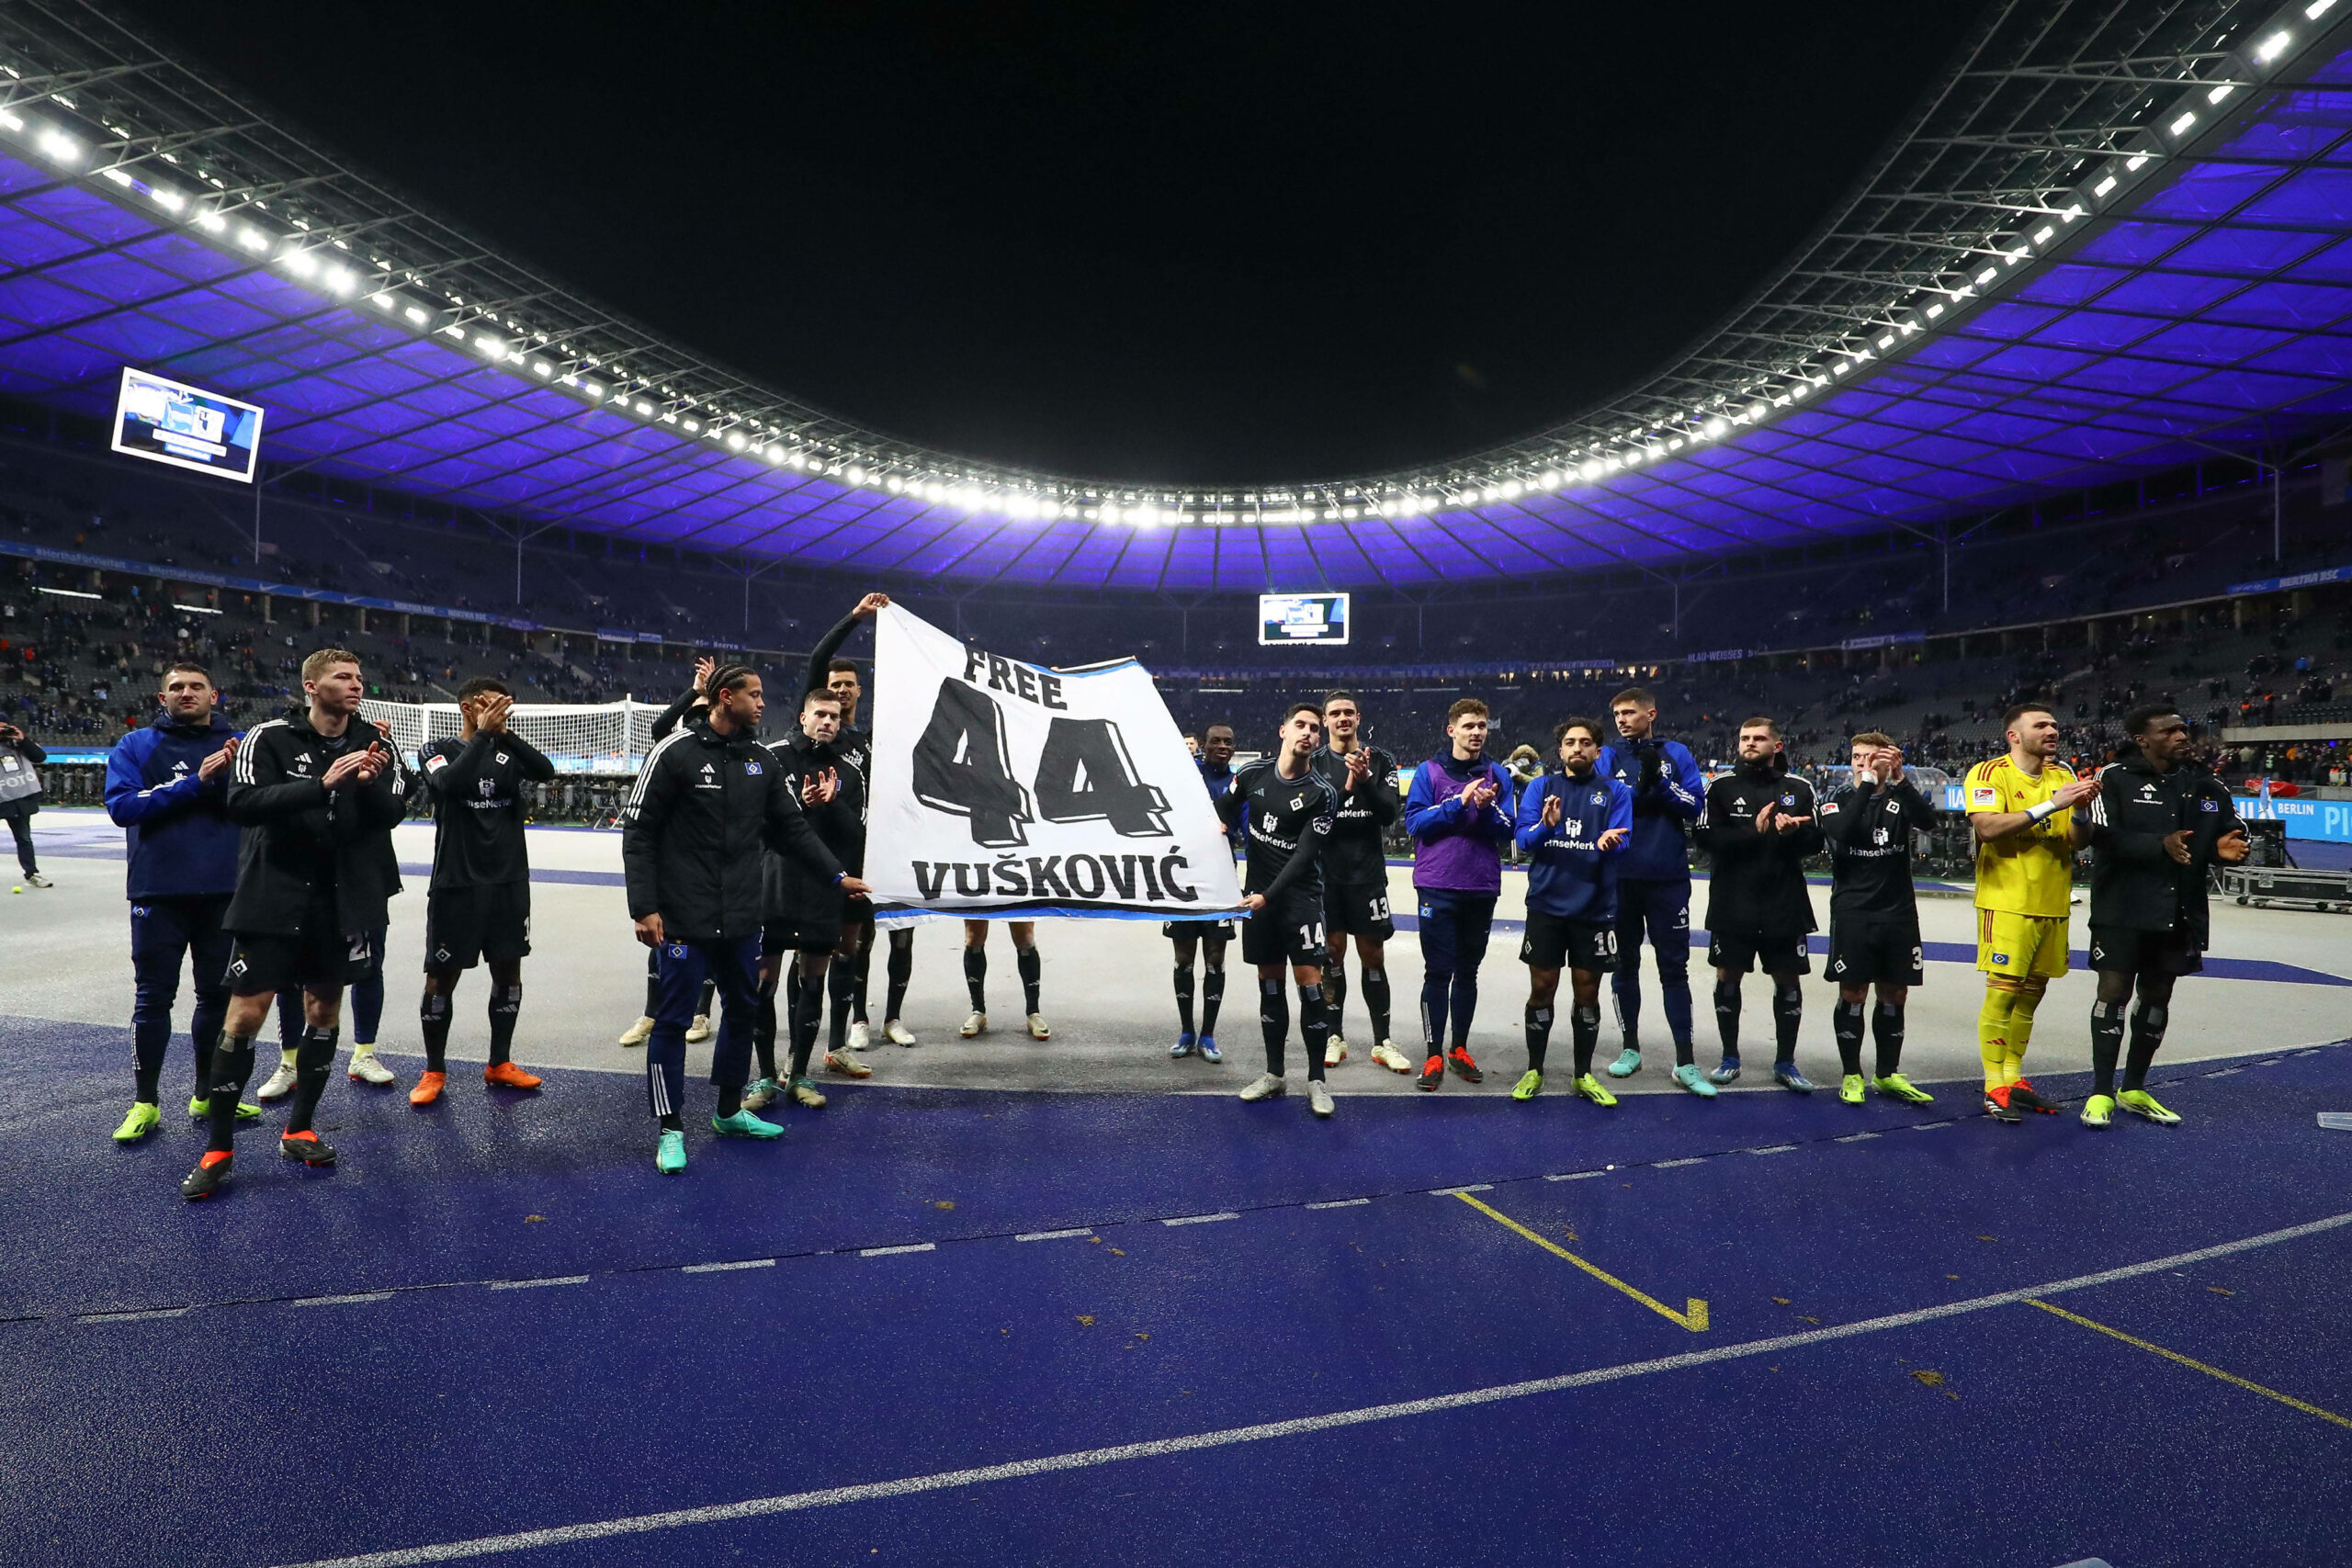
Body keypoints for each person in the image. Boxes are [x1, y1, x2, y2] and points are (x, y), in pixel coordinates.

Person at [181, 649, 410, 1199]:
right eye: (342, 677)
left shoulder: (377, 743)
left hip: (343, 899)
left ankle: (300, 1127)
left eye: (359, 677)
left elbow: (394, 813)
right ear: (312, 685)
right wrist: (323, 784)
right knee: (243, 1016)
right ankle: (218, 1146)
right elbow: (241, 802)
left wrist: (370, 783)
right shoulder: (269, 737)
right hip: (273, 895)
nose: (356, 685)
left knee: (324, 1009)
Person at [622, 663, 868, 1174]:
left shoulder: (760, 761)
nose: (762, 704)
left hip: (742, 915)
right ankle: (670, 1128)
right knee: (671, 1022)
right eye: (754, 696)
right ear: (725, 698)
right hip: (684, 917)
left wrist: (835, 876)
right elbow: (639, 833)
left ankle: (729, 1111)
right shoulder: (675, 753)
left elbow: (792, 830)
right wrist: (644, 907)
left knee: (743, 1012)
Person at [101, 662, 259, 1141]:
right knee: (153, 998)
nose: (185, 693)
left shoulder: (240, 745)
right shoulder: (136, 746)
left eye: (195, 686)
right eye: (176, 687)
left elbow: (263, 804)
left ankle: (206, 1094)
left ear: (216, 695)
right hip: (158, 893)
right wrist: (196, 780)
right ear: (161, 697)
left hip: (225, 893)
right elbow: (122, 807)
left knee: (217, 998)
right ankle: (145, 1102)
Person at [2079, 705, 2250, 1128]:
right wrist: (2160, 843)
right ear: (2143, 738)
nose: (2181, 735)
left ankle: (2134, 1087)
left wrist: (2226, 849)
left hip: (2180, 911)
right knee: (2114, 994)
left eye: (2183, 728)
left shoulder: (2207, 784)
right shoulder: (2113, 777)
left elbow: (2233, 830)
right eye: (2169, 730)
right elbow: (2098, 834)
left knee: (2158, 996)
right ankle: (2100, 1092)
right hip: (2122, 907)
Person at [410, 678, 557, 1106]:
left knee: (508, 972)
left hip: (509, 881)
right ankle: (434, 1069)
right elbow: (446, 787)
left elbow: (545, 771)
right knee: (441, 977)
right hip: (457, 881)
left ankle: (499, 1062)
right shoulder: (436, 749)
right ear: (468, 707)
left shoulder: (507, 749)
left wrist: (503, 735)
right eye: (492, 707)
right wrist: (483, 738)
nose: (500, 714)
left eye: (504, 708)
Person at [1964, 704, 2098, 1123]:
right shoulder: (1989, 773)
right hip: (2007, 902)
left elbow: (2078, 841)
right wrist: (2052, 805)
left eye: (2055, 724)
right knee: (2003, 991)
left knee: (2031, 995)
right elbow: (1986, 828)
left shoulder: (2063, 776)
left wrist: (2077, 809)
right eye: (2041, 725)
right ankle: (1992, 1084)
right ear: (2014, 735)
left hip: (2053, 903)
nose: (2052, 730)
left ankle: (2013, 1076)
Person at [744, 688, 871, 1113]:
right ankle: (763, 1077)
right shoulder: (772, 757)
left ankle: (797, 1073)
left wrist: (832, 805)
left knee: (812, 981)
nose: (829, 722)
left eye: (835, 717)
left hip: (822, 892)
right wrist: (798, 805)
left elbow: (856, 837)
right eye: (821, 714)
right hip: (774, 884)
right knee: (764, 983)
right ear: (803, 717)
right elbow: (755, 822)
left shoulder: (849, 775)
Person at [1217, 704, 1341, 1116]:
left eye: (1314, 729)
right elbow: (1223, 809)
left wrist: (1266, 895)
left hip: (1299, 902)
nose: (1308, 733)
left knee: (1310, 988)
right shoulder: (1252, 774)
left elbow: (1304, 856)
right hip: (1259, 902)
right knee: (1269, 986)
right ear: (1283, 730)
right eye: (1300, 726)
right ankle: (1274, 1074)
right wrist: (1226, 832)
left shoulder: (1322, 793)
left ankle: (1316, 1081)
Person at [1698, 717, 1824, 1094]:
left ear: (1777, 746)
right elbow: (1704, 837)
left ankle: (1785, 1061)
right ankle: (1729, 1057)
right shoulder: (1720, 786)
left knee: (1787, 979)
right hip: (1732, 901)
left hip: (1784, 902)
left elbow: (1818, 842)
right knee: (1727, 976)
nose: (1750, 743)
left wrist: (1793, 833)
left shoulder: (1799, 787)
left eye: (1759, 738)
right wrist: (1751, 831)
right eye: (1744, 738)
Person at [807, 592, 909, 1049]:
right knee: (840, 945)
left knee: (886, 938)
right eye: (836, 684)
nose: (842, 691)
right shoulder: (819, 733)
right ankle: (855, 1022)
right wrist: (855, 617)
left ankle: (883, 1018)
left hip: (874, 848)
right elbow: (818, 656)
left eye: (849, 685)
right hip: (829, 855)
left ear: (860, 691)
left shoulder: (872, 741)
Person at [1511, 718, 1631, 1102]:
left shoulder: (1615, 791)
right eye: (1569, 743)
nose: (1577, 748)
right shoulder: (1541, 787)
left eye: (1585, 743)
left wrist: (1612, 843)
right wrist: (1546, 826)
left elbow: (1623, 841)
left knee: (1588, 994)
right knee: (1542, 989)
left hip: (1595, 909)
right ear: (1559, 750)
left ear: (1598, 750)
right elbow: (1524, 839)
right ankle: (1534, 1070)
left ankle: (1583, 1074)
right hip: (1547, 906)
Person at [1402, 697, 1517, 1091]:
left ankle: (1460, 1049)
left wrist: (1486, 809)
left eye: (1482, 725)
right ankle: (1433, 1053)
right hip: (1437, 885)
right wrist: (1459, 804)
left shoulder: (1497, 773)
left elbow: (1508, 829)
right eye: (1469, 725)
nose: (1477, 732)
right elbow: (1415, 823)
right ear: (1452, 730)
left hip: (1481, 887)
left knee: (1468, 972)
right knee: (1438, 972)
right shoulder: (1428, 772)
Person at [1818, 731, 1938, 1106]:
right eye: (1857, 756)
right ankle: (1852, 1074)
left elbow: (1929, 822)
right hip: (1853, 910)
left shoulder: (1899, 795)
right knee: (1853, 992)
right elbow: (1843, 830)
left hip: (1898, 910)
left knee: (1895, 993)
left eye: (1872, 757)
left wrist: (1899, 780)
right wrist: (1868, 784)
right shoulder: (1834, 798)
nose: (1862, 762)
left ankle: (1887, 1073)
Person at [1595, 687, 1707, 1087]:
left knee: (1674, 969)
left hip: (1667, 878)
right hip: (1621, 877)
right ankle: (1630, 1048)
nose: (1622, 720)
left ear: (1651, 713)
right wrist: (1641, 786)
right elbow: (1604, 801)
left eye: (1629, 712)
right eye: (1618, 715)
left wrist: (1658, 781)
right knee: (1624, 964)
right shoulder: (1607, 755)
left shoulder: (1676, 753)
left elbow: (1694, 806)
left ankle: (1686, 1060)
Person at [618, 658, 723, 1050]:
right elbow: (662, 727)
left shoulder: (730, 752)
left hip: (710, 865)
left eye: (702, 715)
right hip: (671, 863)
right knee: (662, 941)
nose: (696, 723)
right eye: (691, 716)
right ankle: (652, 1012)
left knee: (708, 941)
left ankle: (701, 1012)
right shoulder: (674, 750)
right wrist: (694, 692)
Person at [1311, 692, 1407, 1071]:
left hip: (1367, 876)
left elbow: (1388, 814)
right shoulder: (1315, 763)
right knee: (1332, 955)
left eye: (1348, 712)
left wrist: (1365, 779)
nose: (1342, 718)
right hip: (1326, 877)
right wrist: (1347, 789)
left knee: (1373, 956)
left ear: (1358, 717)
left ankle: (1382, 1041)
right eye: (1335, 713)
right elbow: (1316, 821)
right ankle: (1335, 1035)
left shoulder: (1381, 760)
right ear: (1325, 720)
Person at [1167, 724, 1238, 1064]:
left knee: (1214, 960)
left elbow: (1247, 826)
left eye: (1228, 742)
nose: (1221, 746)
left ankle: (1208, 1034)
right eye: (1216, 741)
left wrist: (1233, 831)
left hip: (1220, 883)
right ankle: (1186, 1031)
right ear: (1204, 746)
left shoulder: (1239, 784)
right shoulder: (1185, 777)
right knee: (1183, 959)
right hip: (1183, 881)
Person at [0, 717, 50, 886]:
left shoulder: (18, 744)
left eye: (4, 728)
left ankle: (32, 873)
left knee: (24, 838)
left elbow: (40, 757)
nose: (2, 732)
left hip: (18, 799)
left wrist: (23, 740)